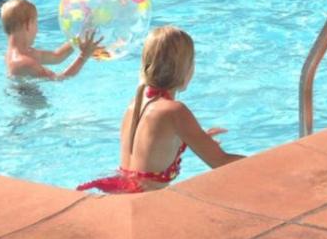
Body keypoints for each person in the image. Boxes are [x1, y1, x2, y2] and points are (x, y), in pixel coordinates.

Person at [77, 25, 243, 194]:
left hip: (122, 195)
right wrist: (261, 161)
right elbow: (220, 162)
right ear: (186, 69)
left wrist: (197, 139)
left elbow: (152, 148)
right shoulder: (175, 111)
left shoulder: (136, 103)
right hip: (146, 202)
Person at [1, 0, 104, 79]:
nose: (37, 30)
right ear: (28, 25)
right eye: (36, 23)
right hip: (34, 100)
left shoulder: (18, 54)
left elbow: (57, 56)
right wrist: (83, 56)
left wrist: (79, 36)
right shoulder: (24, 63)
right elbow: (59, 79)